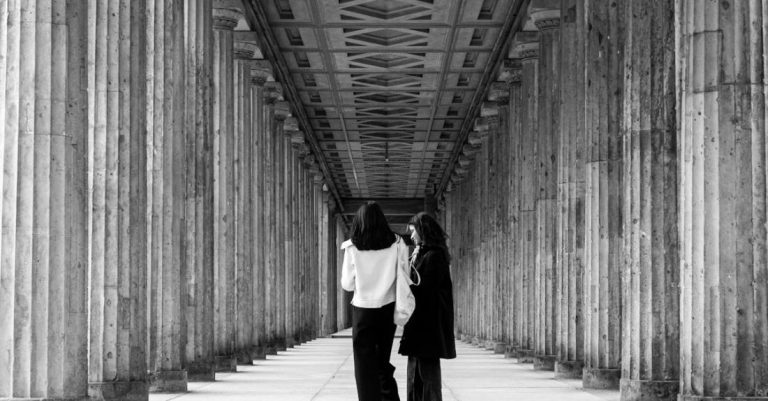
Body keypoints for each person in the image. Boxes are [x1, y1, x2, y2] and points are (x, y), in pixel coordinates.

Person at [341, 201, 407, 401]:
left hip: (362, 310)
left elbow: (347, 285)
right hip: (387, 308)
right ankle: (388, 397)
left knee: (363, 364)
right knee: (382, 360)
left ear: (359, 222)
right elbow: (403, 275)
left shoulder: (351, 247)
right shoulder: (397, 243)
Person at [398, 212, 456, 401]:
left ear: (424, 232)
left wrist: (405, 280)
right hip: (420, 325)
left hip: (427, 327)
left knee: (427, 375)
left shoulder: (435, 256)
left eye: (414, 232)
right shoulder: (424, 253)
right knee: (415, 372)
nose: (412, 236)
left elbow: (426, 290)